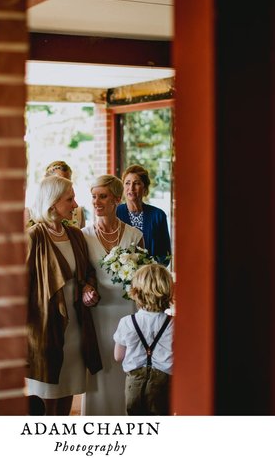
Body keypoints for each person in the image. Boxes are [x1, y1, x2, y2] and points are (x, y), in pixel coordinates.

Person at [25, 174, 102, 415]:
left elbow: (87, 273)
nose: (76, 205)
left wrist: (88, 288)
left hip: (76, 327)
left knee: (68, 389)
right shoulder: (33, 237)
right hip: (45, 328)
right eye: (70, 199)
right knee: (46, 395)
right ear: (53, 203)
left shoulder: (75, 235)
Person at [80, 174, 144, 415]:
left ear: (116, 199)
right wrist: (85, 288)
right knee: (100, 368)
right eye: (94, 196)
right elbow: (79, 275)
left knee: (126, 365)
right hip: (97, 312)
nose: (96, 202)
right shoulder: (83, 235)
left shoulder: (134, 235)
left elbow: (142, 277)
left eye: (103, 197)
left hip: (127, 311)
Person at [113, 264, 174, 415]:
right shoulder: (174, 324)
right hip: (164, 385)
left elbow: (118, 356)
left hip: (134, 383)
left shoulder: (127, 322)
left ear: (136, 292)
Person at [115, 164, 171, 264]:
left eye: (136, 183)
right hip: (121, 276)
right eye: (127, 183)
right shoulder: (115, 213)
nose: (131, 188)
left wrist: (151, 269)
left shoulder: (158, 215)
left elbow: (165, 255)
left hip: (151, 275)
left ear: (145, 188)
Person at [25, 160, 87, 229]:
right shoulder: (29, 214)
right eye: (59, 180)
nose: (64, 184)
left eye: (68, 180)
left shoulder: (78, 212)